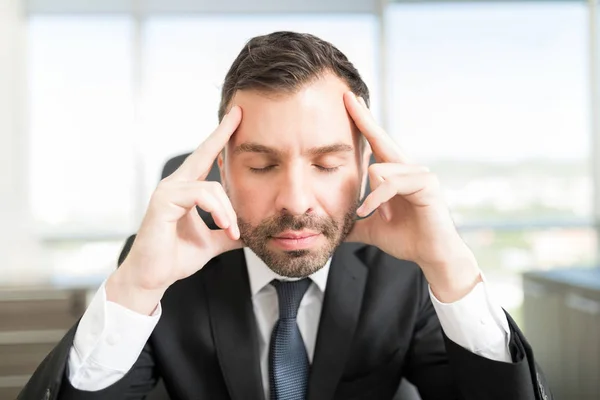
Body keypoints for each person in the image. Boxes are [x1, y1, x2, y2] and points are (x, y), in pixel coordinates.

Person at [20, 31, 552, 400]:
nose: (296, 201)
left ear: (365, 164)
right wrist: (134, 289)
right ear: (223, 169)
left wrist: (453, 271)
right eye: (261, 164)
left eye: (326, 163)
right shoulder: (163, 266)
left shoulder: (403, 269)